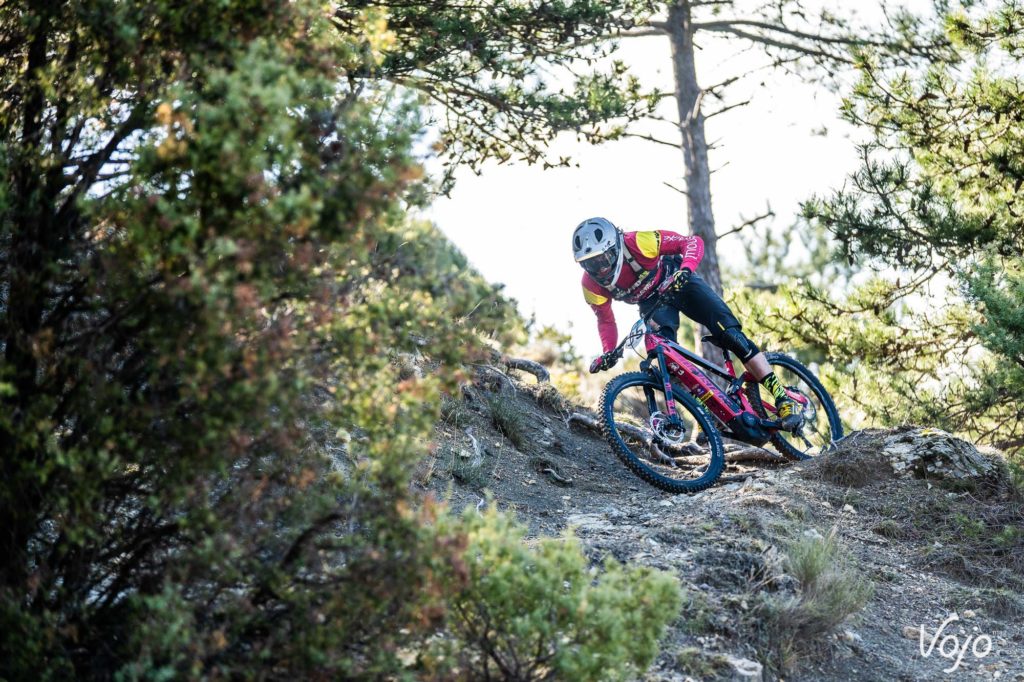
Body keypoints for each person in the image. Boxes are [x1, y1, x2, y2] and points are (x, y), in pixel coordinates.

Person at [573, 216, 801, 427]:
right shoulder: (590, 285)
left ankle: (782, 398)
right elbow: (605, 320)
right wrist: (609, 351)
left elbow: (692, 242)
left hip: (679, 282)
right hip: (654, 304)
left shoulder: (638, 242)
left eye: (603, 258)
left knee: (731, 335)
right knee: (664, 358)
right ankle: (707, 416)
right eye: (591, 264)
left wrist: (686, 269)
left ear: (615, 248)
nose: (601, 268)